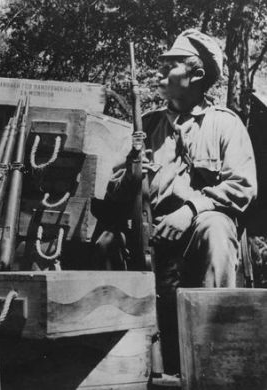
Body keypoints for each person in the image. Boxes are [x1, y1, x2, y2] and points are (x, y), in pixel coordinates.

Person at [104, 29, 257, 374]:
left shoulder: (225, 125)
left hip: (197, 229)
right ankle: (117, 362)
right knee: (107, 241)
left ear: (197, 75)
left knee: (215, 229)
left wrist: (190, 211)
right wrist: (131, 173)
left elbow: (243, 187)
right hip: (148, 232)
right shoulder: (147, 126)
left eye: (170, 65)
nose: (159, 71)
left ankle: (218, 359)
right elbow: (112, 194)